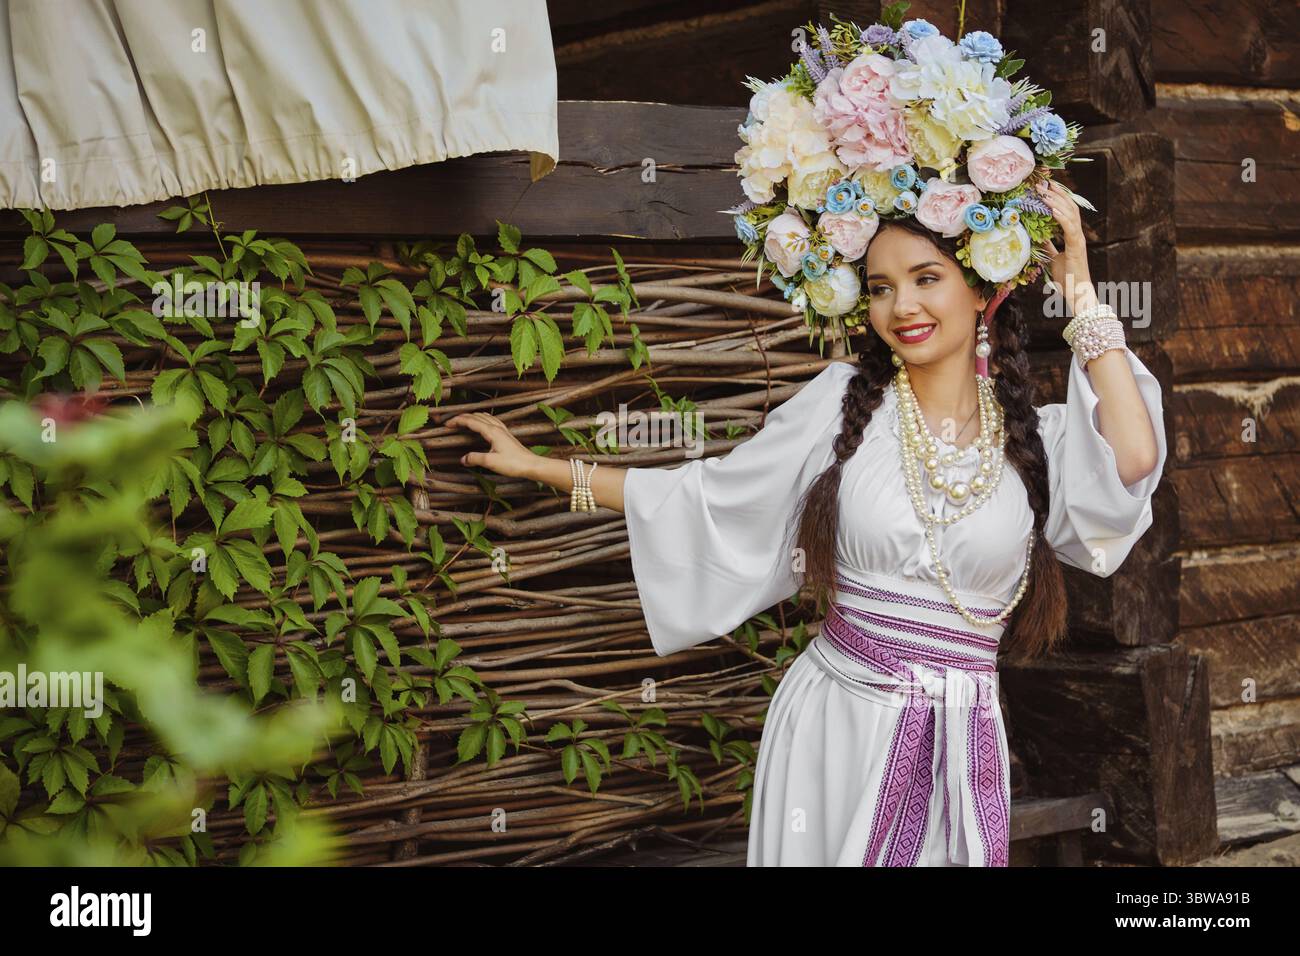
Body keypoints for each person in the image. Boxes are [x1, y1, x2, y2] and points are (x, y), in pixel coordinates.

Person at [445, 180, 1167, 866]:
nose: (901, 307)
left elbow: (1133, 457)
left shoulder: (1035, 439)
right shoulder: (840, 405)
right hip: (837, 725)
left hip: (962, 736)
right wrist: (545, 470)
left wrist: (1079, 289)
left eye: (925, 278)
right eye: (880, 288)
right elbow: (708, 496)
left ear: (982, 286)